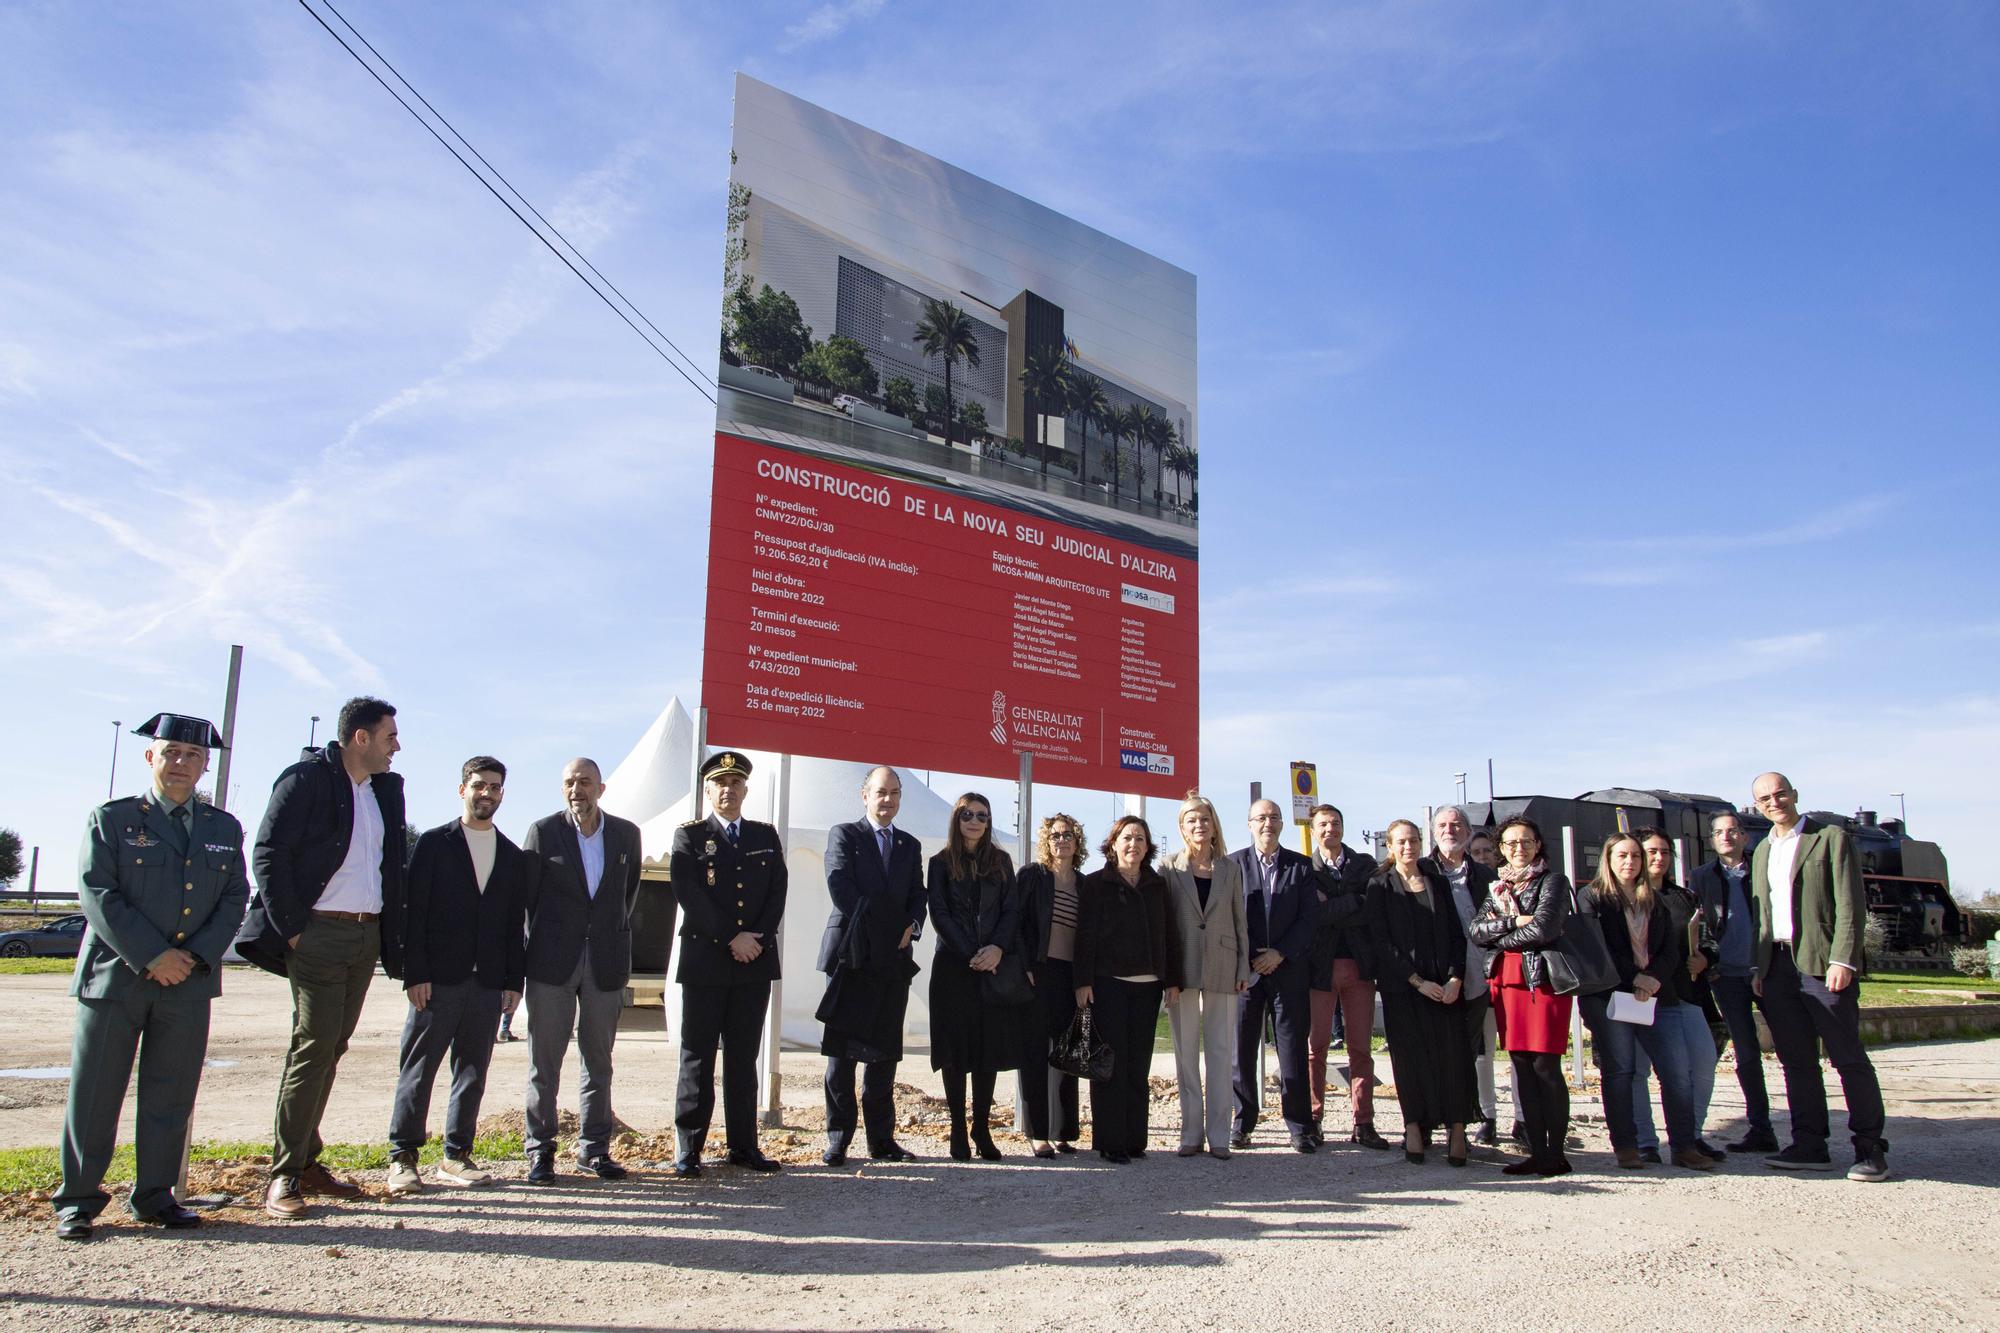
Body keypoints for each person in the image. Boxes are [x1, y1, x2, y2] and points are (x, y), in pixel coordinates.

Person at [52, 714, 250, 1241]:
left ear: (205, 764)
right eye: (171, 752)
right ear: (151, 758)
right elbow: (98, 894)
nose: (181, 763)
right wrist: (153, 956)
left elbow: (235, 898)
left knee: (171, 1092)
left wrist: (195, 956)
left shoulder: (223, 829)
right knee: (95, 1093)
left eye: (192, 755)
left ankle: (156, 1196)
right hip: (117, 978)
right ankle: (77, 1200)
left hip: (189, 981)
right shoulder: (112, 819)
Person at [241, 696, 405, 1222]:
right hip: (317, 935)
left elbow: (389, 865)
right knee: (312, 1046)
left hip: (365, 937)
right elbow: (267, 852)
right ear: (361, 737)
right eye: (389, 737)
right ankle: (285, 1173)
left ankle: (307, 1161)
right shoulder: (305, 779)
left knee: (333, 1045)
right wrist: (292, 928)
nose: (395, 747)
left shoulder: (383, 791)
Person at [387, 758, 530, 1194]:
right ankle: (402, 1158)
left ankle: (456, 1155)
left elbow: (512, 925)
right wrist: (415, 973)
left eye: (494, 787)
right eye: (479, 785)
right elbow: (415, 914)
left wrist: (512, 981)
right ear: (462, 789)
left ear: (502, 794)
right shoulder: (434, 844)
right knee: (419, 1069)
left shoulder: (510, 856)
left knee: (472, 1071)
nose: (486, 793)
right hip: (437, 980)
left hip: (487, 983)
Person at [1749, 771, 1888, 1181]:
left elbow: (1850, 904)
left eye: (1779, 794)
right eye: (1764, 798)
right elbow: (1764, 915)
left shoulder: (1830, 838)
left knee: (1848, 1057)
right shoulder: (1762, 851)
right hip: (1776, 966)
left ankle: (1870, 1148)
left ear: (1794, 794)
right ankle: (1809, 1144)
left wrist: (1843, 959)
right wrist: (1759, 966)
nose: (1774, 802)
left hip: (1820, 962)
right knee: (1796, 1062)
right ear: (1757, 806)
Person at [520, 758, 643, 1185]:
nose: (578, 790)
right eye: (570, 782)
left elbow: (626, 896)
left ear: (601, 789)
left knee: (599, 1061)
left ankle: (594, 1150)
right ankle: (540, 1151)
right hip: (552, 964)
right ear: (562, 789)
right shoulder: (543, 832)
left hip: (605, 963)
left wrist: (603, 935)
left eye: (585, 782)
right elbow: (528, 900)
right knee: (544, 1063)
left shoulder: (627, 834)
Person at [670, 751, 787, 1176]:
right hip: (706, 961)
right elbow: (689, 894)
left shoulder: (764, 835)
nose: (728, 790)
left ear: (745, 790)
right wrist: (731, 937)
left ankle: (744, 1147)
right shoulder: (689, 836)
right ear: (707, 790)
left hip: (752, 962)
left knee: (742, 1059)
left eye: (736, 783)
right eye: (720, 783)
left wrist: (754, 940)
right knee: (697, 1059)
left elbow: (777, 892)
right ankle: (688, 1148)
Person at [1576, 833, 1714, 1171]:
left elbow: (1670, 948)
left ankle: (1683, 1147)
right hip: (1613, 995)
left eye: (1635, 856)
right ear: (1608, 859)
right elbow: (1599, 947)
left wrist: (1652, 978)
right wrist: (1634, 978)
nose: (1630, 862)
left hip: (1657, 994)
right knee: (1621, 1071)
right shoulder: (1592, 897)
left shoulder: (1653, 898)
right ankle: (1628, 1146)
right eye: (1622, 856)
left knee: (1677, 1072)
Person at [817, 766, 925, 1166]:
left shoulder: (909, 846)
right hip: (851, 955)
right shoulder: (845, 835)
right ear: (864, 795)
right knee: (841, 1056)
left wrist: (911, 927)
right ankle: (838, 1138)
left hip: (893, 960)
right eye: (881, 792)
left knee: (884, 1055)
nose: (889, 800)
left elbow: (918, 894)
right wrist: (887, 929)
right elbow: (841, 887)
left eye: (895, 793)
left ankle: (882, 1141)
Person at [1467, 817, 1574, 1177]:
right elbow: (1476, 931)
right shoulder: (1498, 887)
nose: (1518, 849)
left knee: (1546, 1066)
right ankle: (1537, 1150)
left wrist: (1499, 941)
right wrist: (1513, 923)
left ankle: (1556, 1152)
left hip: (1541, 982)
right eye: (1511, 843)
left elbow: (1545, 928)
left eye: (1526, 842)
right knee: (1522, 1066)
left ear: (1538, 844)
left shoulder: (1552, 881)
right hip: (1507, 983)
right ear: (1502, 849)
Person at [1073, 815, 1181, 1163]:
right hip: (1108, 986)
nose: (1133, 844)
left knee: (1138, 1066)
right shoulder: (1095, 884)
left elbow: (1170, 934)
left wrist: (1173, 980)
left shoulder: (1157, 885)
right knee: (1110, 1066)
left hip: (1148, 988)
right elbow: (1084, 936)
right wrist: (1082, 981)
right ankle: (1110, 1142)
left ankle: (1135, 1139)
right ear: (1114, 844)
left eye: (1140, 839)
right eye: (1126, 838)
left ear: (1147, 847)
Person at [1368, 820, 1477, 1166]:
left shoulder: (1437, 883)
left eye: (1414, 840)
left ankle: (1457, 1129)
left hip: (1444, 987)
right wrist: (1416, 981)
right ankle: (1414, 1126)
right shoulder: (1380, 885)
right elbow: (1381, 942)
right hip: (1404, 988)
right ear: (1389, 846)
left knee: (1453, 1059)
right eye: (1401, 841)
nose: (1408, 847)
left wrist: (1455, 979)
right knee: (1410, 1061)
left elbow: (1457, 935)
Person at [925, 792, 1024, 1161]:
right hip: (954, 967)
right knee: (955, 1050)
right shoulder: (939, 863)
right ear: (956, 818)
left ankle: (981, 1127)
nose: (975, 821)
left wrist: (996, 948)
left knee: (987, 1050)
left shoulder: (1001, 862)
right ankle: (956, 1128)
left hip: (993, 968)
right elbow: (939, 913)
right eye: (967, 814)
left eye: (982, 815)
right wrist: (972, 953)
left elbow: (1011, 910)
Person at [1626, 827, 1724, 1163]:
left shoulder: (1685, 898)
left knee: (1701, 1063)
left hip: (1685, 993)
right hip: (1638, 996)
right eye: (1650, 852)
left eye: (1664, 852)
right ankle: (1644, 1141)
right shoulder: (1626, 897)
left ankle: (1691, 1134)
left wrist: (1706, 957)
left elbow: (1708, 938)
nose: (1658, 858)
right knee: (1637, 1071)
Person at [1226, 799, 1319, 1151]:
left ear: (1282, 824)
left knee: (1293, 1051)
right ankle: (1242, 1122)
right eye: (1261, 818)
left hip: (1289, 971)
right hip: (1246, 974)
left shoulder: (1301, 866)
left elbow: (1309, 920)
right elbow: (1229, 919)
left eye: (1274, 817)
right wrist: (1252, 958)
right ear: (1250, 824)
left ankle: (1299, 1126)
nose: (1268, 823)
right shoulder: (1232, 865)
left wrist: (1280, 954)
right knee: (1242, 1050)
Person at [1159, 793, 1248, 1158]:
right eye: (1191, 820)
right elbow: (1164, 925)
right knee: (1186, 1055)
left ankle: (1220, 1136)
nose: (1199, 825)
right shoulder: (1169, 867)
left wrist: (1243, 967)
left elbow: (1240, 920)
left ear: (1214, 825)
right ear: (1182, 827)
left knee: (1220, 1052)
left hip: (1224, 966)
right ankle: (1191, 1133)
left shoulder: (1230, 868)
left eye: (1205, 819)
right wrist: (1168, 976)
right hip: (1182, 968)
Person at [1691, 810, 1778, 1153]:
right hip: (1726, 975)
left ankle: (1807, 1132)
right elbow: (1697, 926)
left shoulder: (1765, 867)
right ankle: (1761, 1128)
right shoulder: (1701, 877)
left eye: (1732, 831)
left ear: (1745, 836)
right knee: (1746, 1053)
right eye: (1718, 832)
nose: (1725, 837)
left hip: (1768, 971)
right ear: (1712, 840)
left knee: (1792, 1051)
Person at [1305, 803, 1386, 1149]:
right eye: (1322, 824)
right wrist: (1349, 902)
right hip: (1319, 969)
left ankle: (1363, 1122)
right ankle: (1313, 1119)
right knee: (1315, 1047)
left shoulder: (1365, 864)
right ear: (1313, 830)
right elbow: (1310, 915)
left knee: (1360, 1048)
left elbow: (1371, 909)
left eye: (1335, 823)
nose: (1329, 829)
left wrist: (1332, 907)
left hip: (1359, 966)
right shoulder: (1304, 868)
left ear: (1343, 827)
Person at [1427, 805, 1500, 1146]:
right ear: (1433, 831)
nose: (1449, 830)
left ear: (1468, 832)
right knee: (1435, 1052)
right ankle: (1435, 1120)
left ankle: (1470, 1120)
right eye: (1442, 824)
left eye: (1456, 824)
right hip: (1433, 979)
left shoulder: (1485, 878)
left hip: (1476, 979)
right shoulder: (1422, 871)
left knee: (1471, 1052)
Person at [1017, 813, 1087, 1157]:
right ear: (1047, 840)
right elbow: (1014, 923)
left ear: (1077, 843)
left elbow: (1091, 939)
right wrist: (1025, 964)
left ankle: (1063, 1131)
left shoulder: (1084, 884)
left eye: (1069, 835)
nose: (1062, 840)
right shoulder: (1032, 876)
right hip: (1036, 972)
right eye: (1056, 835)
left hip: (1070, 977)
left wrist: (1085, 980)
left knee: (1066, 1054)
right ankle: (1037, 1133)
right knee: (1033, 1051)